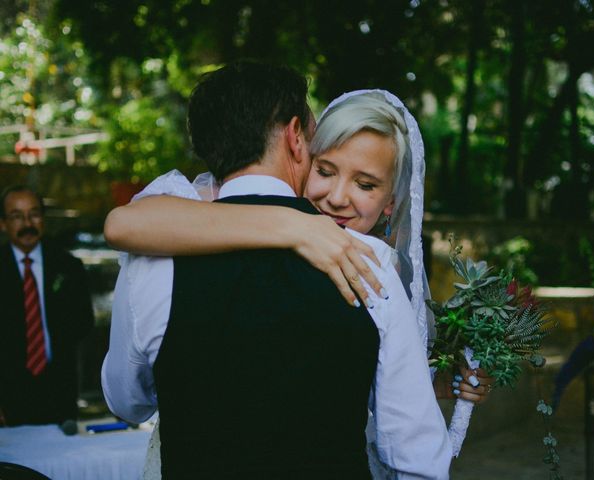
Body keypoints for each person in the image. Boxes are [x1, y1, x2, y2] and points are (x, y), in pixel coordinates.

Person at [102, 61, 453, 479]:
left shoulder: (156, 254)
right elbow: (415, 453)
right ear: (296, 136)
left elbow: (127, 402)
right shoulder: (366, 261)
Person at [0, 185, 94, 426]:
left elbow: (84, 323)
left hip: (60, 392)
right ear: (3, 223)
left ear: (43, 219)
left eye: (34, 214)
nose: (27, 223)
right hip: (8, 396)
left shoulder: (69, 266)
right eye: (16, 216)